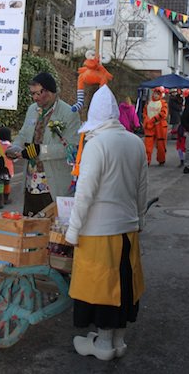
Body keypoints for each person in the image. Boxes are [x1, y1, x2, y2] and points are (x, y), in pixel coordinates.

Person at [65, 85, 148, 361]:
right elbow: (141, 188)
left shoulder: (96, 144)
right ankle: (118, 341)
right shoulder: (135, 142)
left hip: (98, 232)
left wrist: (73, 230)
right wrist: (140, 219)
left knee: (101, 289)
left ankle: (102, 344)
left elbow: (84, 193)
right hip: (128, 229)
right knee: (124, 286)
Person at [6, 72, 81, 216]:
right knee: (30, 228)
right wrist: (15, 147)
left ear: (49, 91)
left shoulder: (69, 113)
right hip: (30, 181)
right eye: (32, 94)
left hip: (53, 183)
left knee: (49, 231)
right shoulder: (32, 110)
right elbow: (23, 134)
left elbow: (72, 149)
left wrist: (40, 150)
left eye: (38, 93)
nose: (35, 97)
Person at [142, 86, 168, 165]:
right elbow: (144, 113)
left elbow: (163, 114)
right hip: (150, 126)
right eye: (155, 94)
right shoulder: (149, 103)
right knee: (148, 145)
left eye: (157, 94)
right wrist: (146, 120)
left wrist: (152, 119)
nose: (155, 95)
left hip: (159, 126)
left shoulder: (163, 103)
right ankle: (147, 161)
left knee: (161, 145)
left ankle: (161, 159)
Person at [0, 126, 14, 209]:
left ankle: (0, 201)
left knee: (0, 184)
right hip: (8, 168)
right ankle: (6, 199)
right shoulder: (9, 145)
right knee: (7, 184)